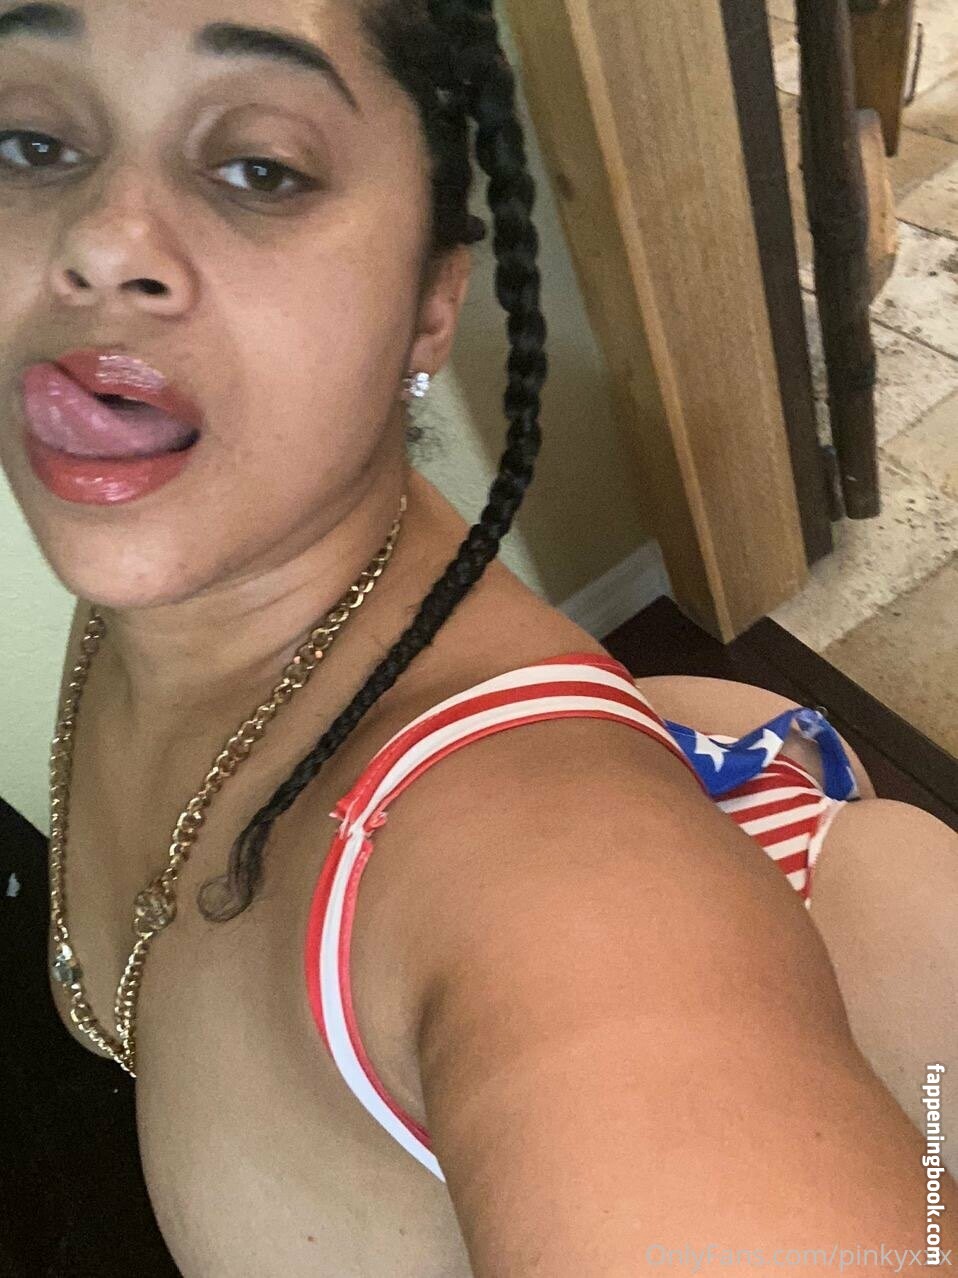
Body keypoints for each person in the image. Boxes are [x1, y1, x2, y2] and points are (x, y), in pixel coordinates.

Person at [1, 0, 954, 1273]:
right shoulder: (163, 546)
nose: (101, 245)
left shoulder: (556, 901)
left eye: (260, 168)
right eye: (30, 142)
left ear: (430, 305)